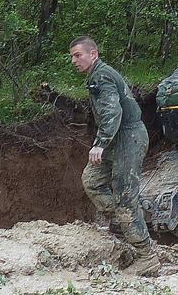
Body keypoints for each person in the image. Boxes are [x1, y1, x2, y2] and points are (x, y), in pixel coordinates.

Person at [68, 36, 158, 274]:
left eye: (78, 55)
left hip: (127, 138)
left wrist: (100, 143)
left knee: (125, 197)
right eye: (71, 57)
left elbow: (112, 111)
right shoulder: (96, 76)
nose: (74, 61)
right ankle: (124, 223)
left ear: (93, 54)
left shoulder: (102, 76)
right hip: (118, 139)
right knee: (92, 181)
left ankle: (146, 255)